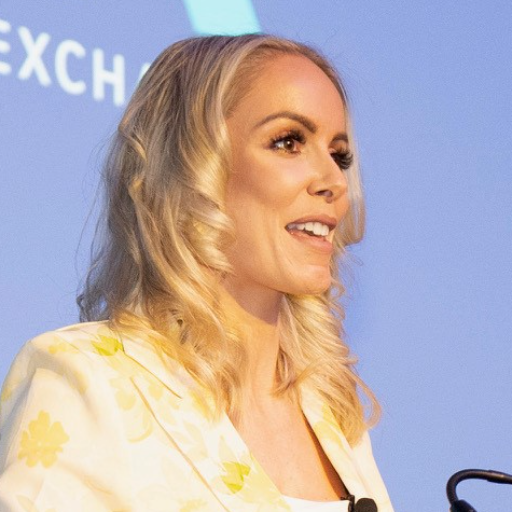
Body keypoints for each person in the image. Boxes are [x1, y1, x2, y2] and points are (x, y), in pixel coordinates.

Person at [0, 34, 394, 512]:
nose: (333, 180)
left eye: (339, 154)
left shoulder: (336, 421)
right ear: (190, 166)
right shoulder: (87, 380)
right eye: (289, 142)